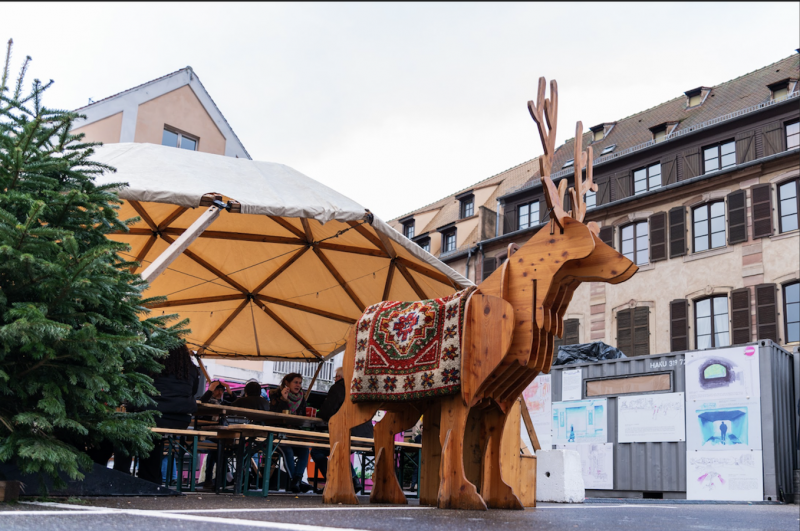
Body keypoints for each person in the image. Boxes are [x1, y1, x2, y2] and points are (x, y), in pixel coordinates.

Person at [138, 344, 199, 484]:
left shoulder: (148, 365)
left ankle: (140, 478)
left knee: (132, 434)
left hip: (152, 415)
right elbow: (193, 391)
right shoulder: (191, 369)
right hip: (181, 419)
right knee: (155, 439)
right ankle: (152, 480)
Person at [310, 367, 373, 494]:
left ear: (339, 377)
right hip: (366, 436)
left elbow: (326, 412)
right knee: (340, 450)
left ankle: (334, 481)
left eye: (335, 377)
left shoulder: (338, 387)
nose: (335, 380)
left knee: (318, 451)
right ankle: (353, 480)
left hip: (349, 433)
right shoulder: (360, 388)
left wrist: (318, 414)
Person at [268, 373, 310, 493]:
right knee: (288, 450)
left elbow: (302, 417)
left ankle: (297, 480)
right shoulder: (275, 394)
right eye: (295, 382)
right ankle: (295, 481)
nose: (298, 385)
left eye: (300, 383)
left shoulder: (301, 397)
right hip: (277, 433)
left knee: (305, 450)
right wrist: (284, 399)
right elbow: (275, 414)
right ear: (287, 383)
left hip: (294, 434)